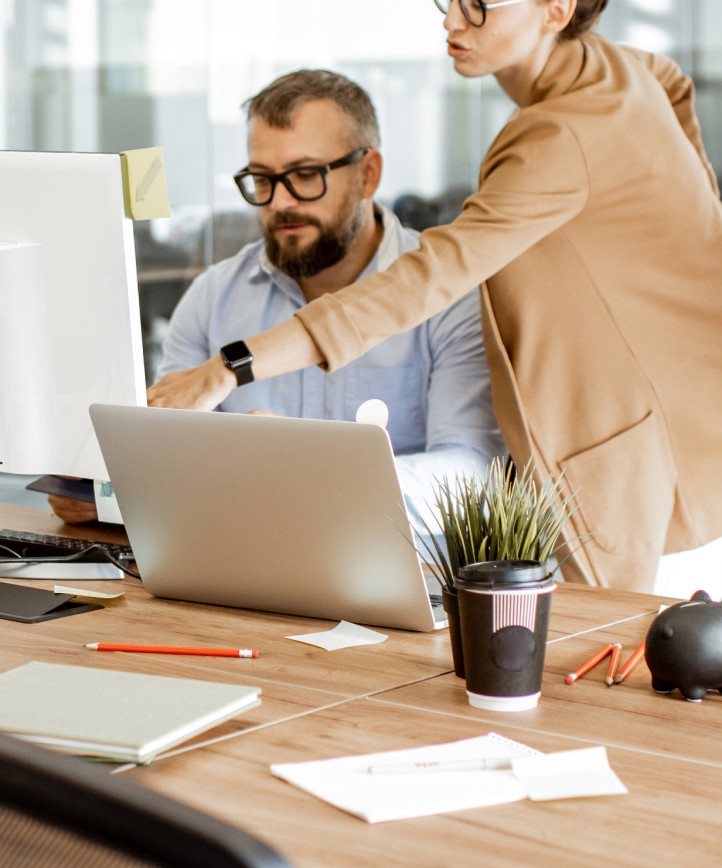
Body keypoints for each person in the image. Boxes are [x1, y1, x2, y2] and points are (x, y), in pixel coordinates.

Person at [147, 0, 722, 597]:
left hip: (701, 444)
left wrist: (233, 366)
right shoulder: (618, 70)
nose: (451, 23)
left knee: (618, 668)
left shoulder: (557, 138)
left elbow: (423, 279)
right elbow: (673, 82)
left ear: (554, 10)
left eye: (478, 5)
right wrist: (683, 238)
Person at [46, 70, 504, 526]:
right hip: (237, 567)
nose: (281, 202)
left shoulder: (450, 299)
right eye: (263, 179)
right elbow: (164, 453)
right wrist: (106, 491)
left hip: (404, 578)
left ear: (368, 174)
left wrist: (301, 474)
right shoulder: (214, 297)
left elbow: (472, 477)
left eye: (305, 175)